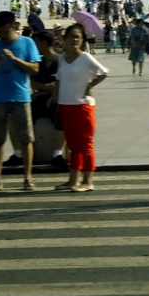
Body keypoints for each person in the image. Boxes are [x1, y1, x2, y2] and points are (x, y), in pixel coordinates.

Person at [0, 10, 41, 192]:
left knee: (26, 139)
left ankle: (28, 177)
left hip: (20, 96)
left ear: (9, 25)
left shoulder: (27, 42)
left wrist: (15, 59)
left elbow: (35, 68)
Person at [52, 23, 108, 192]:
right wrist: (55, 97)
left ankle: (88, 180)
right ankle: (72, 179)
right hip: (65, 104)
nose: (75, 40)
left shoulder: (85, 58)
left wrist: (89, 85)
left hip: (82, 105)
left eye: (78, 37)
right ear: (65, 39)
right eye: (71, 36)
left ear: (82, 40)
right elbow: (59, 79)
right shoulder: (62, 58)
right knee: (72, 144)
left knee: (85, 144)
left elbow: (103, 72)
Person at [30, 30, 66, 171]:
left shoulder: (59, 61)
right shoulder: (38, 62)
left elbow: (59, 85)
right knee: (24, 120)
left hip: (55, 99)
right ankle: (25, 152)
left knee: (60, 120)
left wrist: (47, 91)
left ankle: (57, 154)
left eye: (36, 42)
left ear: (44, 43)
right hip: (40, 98)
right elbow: (34, 84)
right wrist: (46, 88)